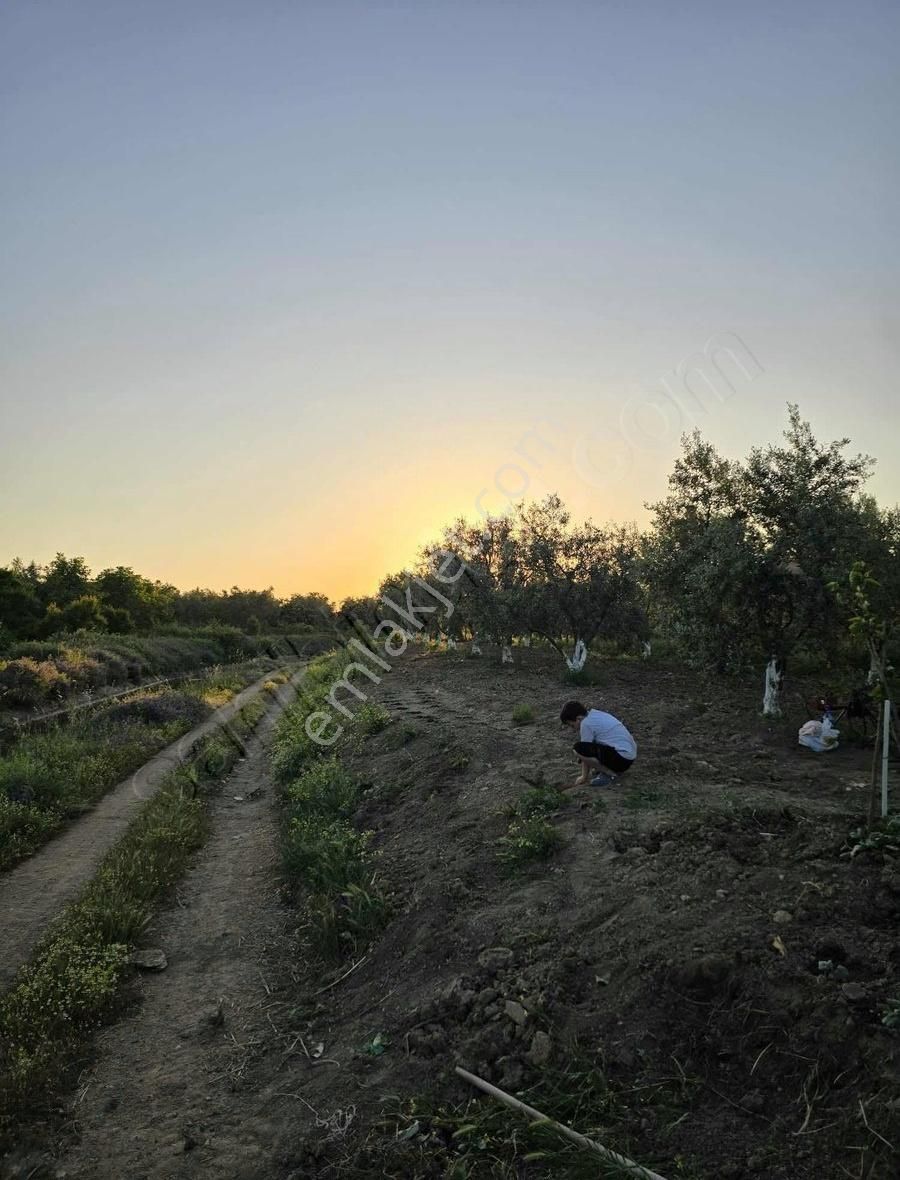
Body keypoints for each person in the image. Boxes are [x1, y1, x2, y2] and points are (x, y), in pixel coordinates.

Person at [560, 700, 636, 787]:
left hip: (621, 759)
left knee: (577, 749)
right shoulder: (595, 714)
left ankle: (609, 774)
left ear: (579, 718)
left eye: (572, 725)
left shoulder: (586, 724)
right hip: (629, 757)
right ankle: (607, 768)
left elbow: (584, 752)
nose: (573, 729)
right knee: (591, 747)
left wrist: (583, 777)